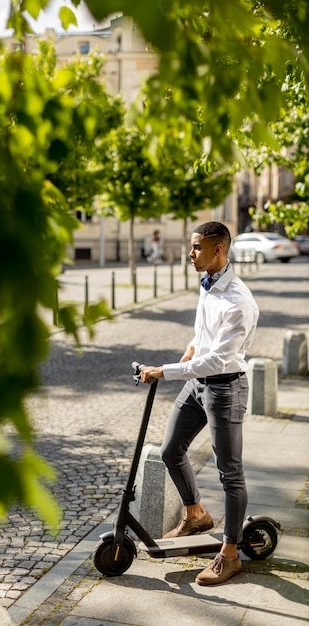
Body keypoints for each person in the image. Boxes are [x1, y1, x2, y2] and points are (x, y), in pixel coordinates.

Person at [140, 221, 259, 586]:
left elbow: (218, 361)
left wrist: (166, 370)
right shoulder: (209, 284)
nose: (190, 254)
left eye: (195, 248)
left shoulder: (239, 302)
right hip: (197, 383)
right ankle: (196, 514)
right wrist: (188, 352)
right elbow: (201, 337)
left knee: (230, 472)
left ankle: (230, 554)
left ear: (218, 250)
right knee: (170, 449)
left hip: (224, 388)